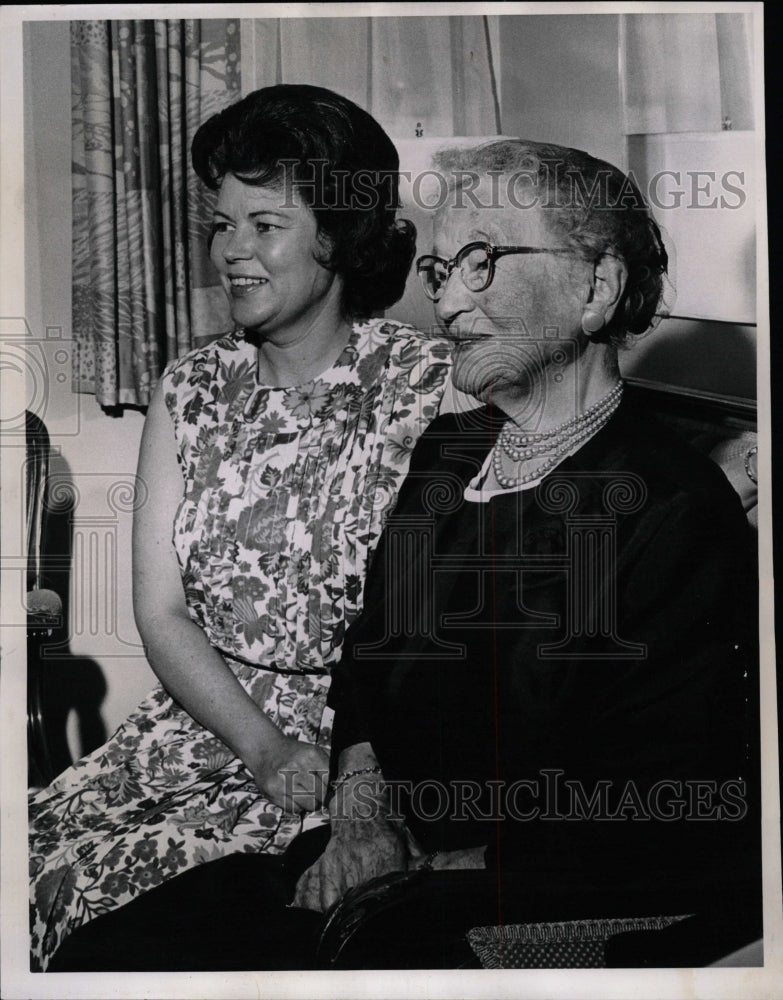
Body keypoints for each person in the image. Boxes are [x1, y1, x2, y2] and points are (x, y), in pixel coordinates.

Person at [49, 140, 759, 971]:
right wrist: (359, 812)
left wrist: (409, 870)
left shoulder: (669, 508)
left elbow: (654, 810)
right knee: (100, 950)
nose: (450, 301)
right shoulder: (452, 452)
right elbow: (367, 662)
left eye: (483, 262)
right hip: (375, 843)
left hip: (506, 890)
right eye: (440, 268)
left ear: (597, 288)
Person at [28, 84, 451, 970]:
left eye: (265, 225)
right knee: (33, 868)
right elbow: (162, 610)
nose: (232, 252)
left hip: (358, 752)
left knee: (131, 936)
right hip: (207, 723)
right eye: (221, 225)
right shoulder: (189, 387)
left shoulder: (430, 386)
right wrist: (257, 743)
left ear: (338, 235)